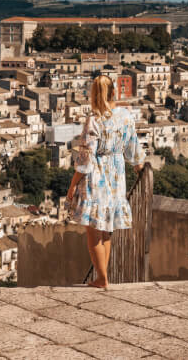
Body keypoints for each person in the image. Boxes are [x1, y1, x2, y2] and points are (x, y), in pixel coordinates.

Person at [66, 73, 145, 288]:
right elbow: (133, 147)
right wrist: (140, 169)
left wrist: (72, 185)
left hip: (97, 178)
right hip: (117, 177)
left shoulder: (94, 120)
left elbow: (85, 160)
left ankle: (102, 278)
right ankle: (103, 275)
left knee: (94, 232)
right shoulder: (125, 116)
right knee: (107, 228)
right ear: (114, 92)